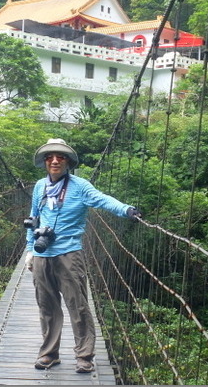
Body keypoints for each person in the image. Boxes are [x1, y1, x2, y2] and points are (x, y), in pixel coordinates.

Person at [24, 138, 141, 373]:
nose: (55, 161)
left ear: (68, 161)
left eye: (60, 157)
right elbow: (33, 218)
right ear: (44, 161)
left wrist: (126, 209)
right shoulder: (39, 186)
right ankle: (49, 354)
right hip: (42, 253)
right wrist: (29, 249)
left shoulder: (80, 186)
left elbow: (102, 199)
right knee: (47, 307)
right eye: (50, 157)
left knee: (77, 306)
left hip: (69, 253)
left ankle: (84, 356)